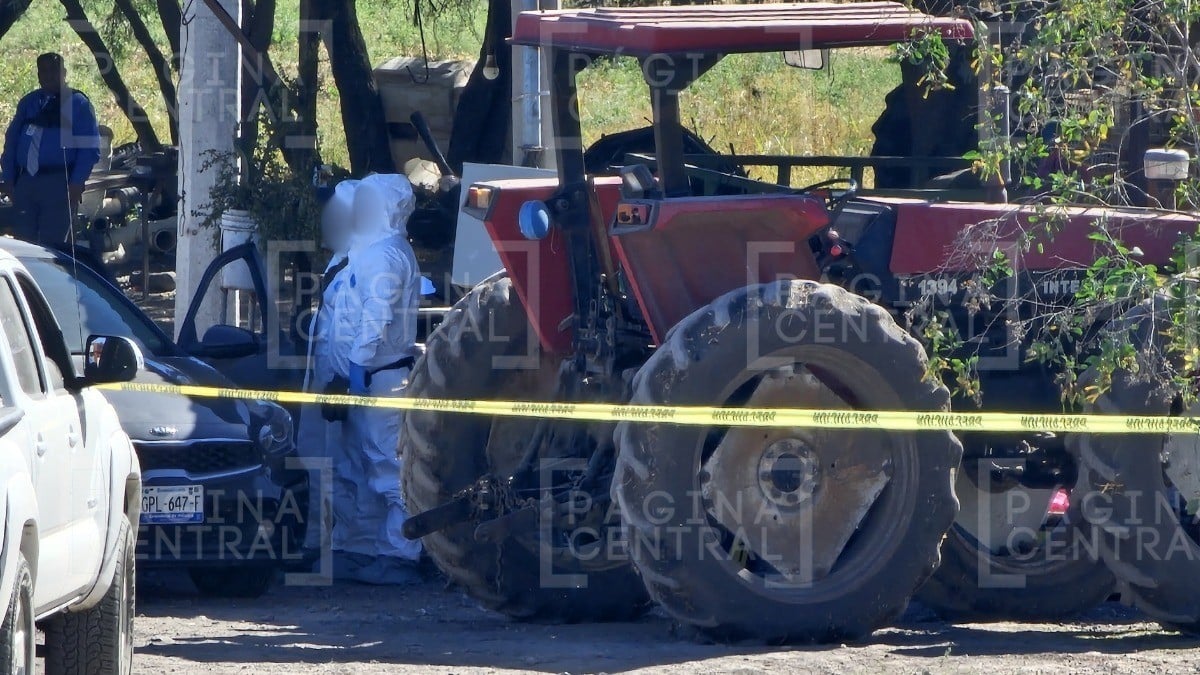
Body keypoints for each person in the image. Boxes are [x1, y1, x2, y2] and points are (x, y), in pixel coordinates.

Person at [329, 173, 423, 583]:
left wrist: (357, 367)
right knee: (360, 468)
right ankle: (365, 547)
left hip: (379, 379)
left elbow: (375, 320)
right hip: (363, 378)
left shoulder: (387, 256)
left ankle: (402, 554)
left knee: (389, 467)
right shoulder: (370, 251)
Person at [295, 179, 358, 557]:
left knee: (344, 467)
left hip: (340, 378)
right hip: (323, 377)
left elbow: (358, 329)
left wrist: (346, 377)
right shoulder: (340, 259)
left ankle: (339, 545)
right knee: (317, 458)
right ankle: (319, 542)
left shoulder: (359, 263)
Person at [0, 53, 101, 245]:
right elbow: (11, 141)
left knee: (52, 247)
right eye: (43, 71)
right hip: (25, 183)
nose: (48, 75)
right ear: (38, 75)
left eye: (53, 70)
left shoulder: (77, 103)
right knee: (23, 244)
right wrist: (9, 178)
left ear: (63, 72)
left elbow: (89, 149)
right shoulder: (29, 103)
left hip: (58, 184)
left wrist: (77, 182)